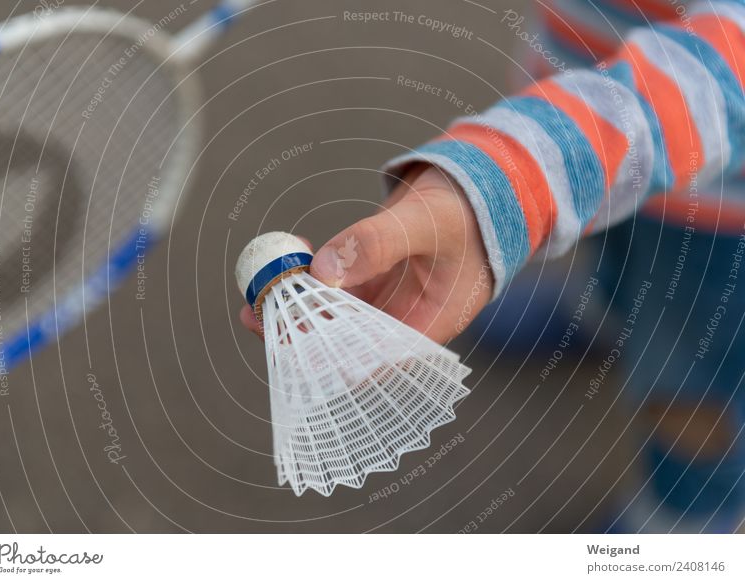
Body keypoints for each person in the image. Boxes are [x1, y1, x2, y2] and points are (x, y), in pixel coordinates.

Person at [241, 0, 745, 532]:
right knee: (615, 262)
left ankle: (688, 518)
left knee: (689, 382)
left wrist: (504, 183)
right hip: (588, 112)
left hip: (723, 211)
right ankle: (602, 315)